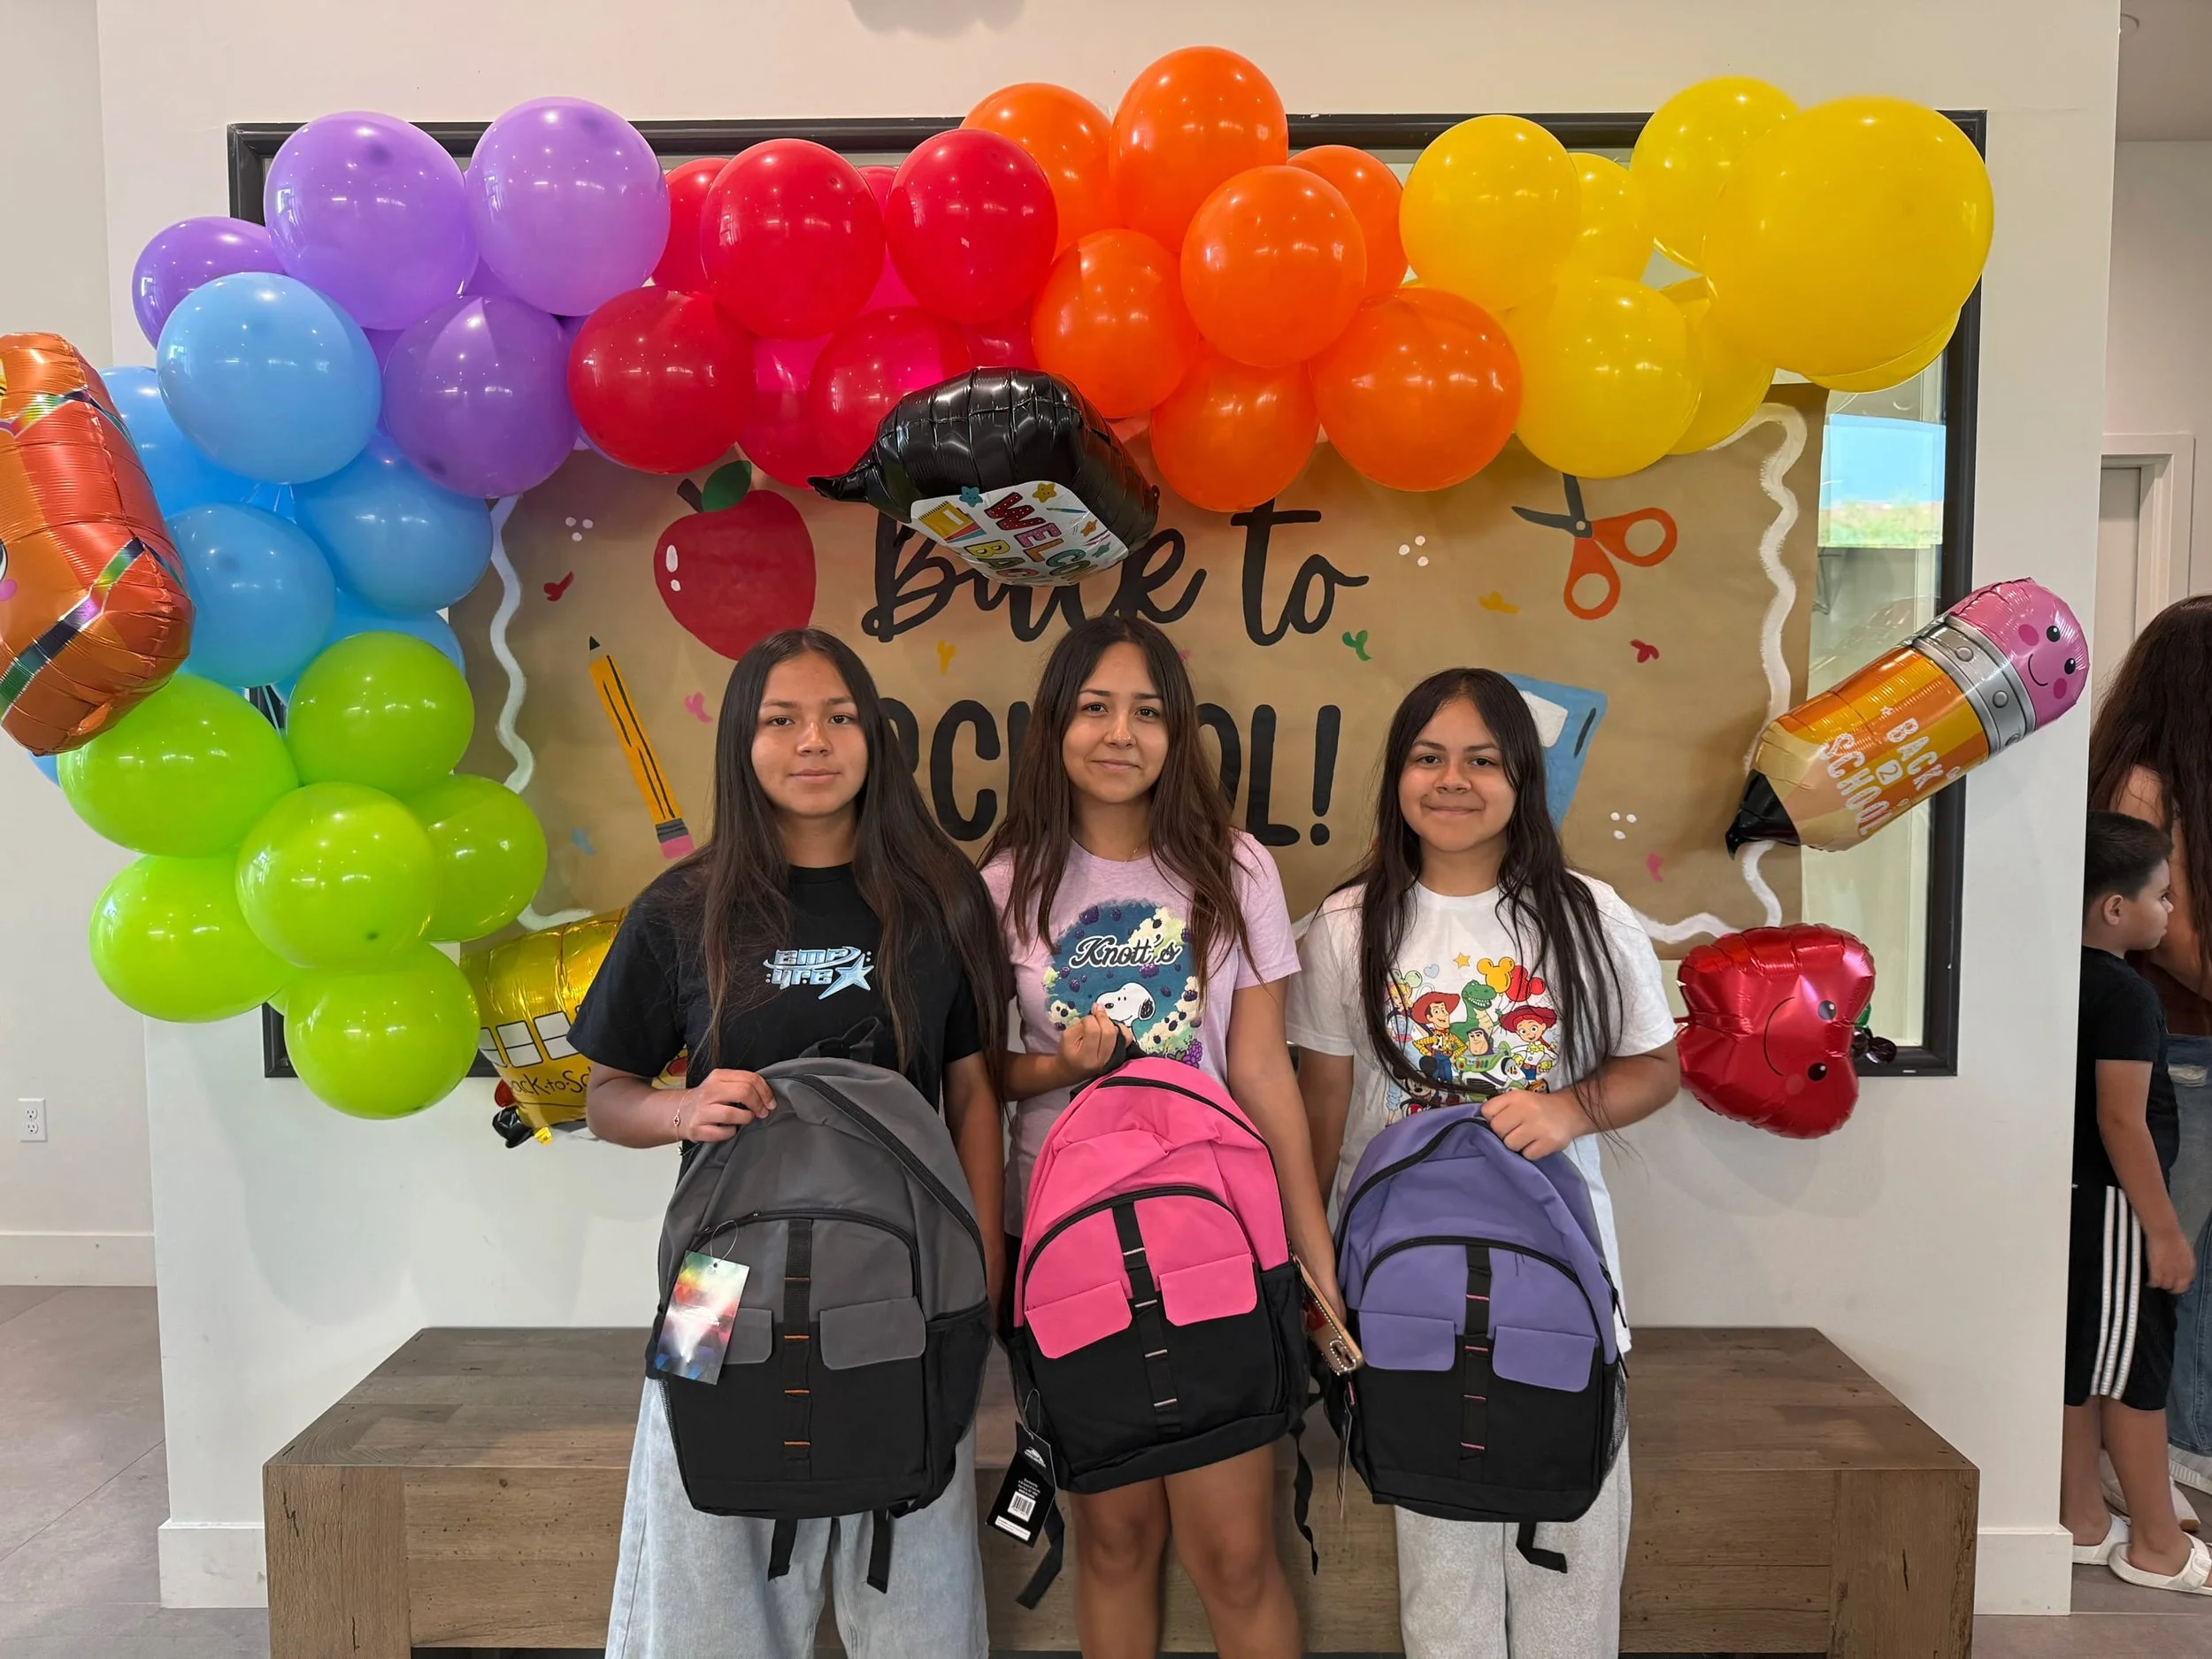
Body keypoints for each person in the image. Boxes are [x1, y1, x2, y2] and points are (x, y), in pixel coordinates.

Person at [571, 629, 1010, 1659]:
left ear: (874, 738)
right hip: (710, 1286)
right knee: (702, 1576)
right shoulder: (685, 905)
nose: (813, 742)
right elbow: (605, 1097)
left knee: (916, 1581)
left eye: (839, 717)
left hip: (903, 1270)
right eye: (781, 720)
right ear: (742, 742)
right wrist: (679, 1112)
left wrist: (979, 1275)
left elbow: (974, 1093)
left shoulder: (940, 898)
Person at [1287, 668, 1680, 1658]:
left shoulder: (1586, 913)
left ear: (1522, 780)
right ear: (1396, 776)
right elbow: (1322, 1108)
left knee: (1570, 1560)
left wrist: (1567, 1108)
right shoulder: (1342, 928)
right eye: (1428, 757)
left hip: (1561, 1286)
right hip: (1403, 1292)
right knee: (1443, 1573)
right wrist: (1317, 1270)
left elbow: (1657, 1068)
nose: (1451, 781)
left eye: (1480, 760)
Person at [981, 614, 1339, 1659]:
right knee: (1115, 1543)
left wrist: (1310, 1254)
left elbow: (1264, 1068)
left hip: (1219, 1248)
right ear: (1054, 726)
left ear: (1179, 735)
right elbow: (978, 1074)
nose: (1119, 733)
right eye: (1095, 706)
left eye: (1147, 712)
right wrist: (1062, 1067)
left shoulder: (1235, 869)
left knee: (1234, 1552)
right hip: (1069, 1257)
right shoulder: (1004, 886)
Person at [2061, 812, 2203, 1590]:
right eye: (2162, 896)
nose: (2170, 912)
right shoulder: (2124, 993)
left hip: (2082, 1202)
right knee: (2134, 1376)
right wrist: (2165, 1230)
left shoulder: (2062, 974)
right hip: (2117, 1210)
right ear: (2115, 908)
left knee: (2080, 1367)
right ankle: (2160, 1546)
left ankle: (2081, 1519)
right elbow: (2123, 1117)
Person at [2093, 596, 2212, 1511]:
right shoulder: (2145, 786)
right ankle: (2160, 1466)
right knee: (2167, 1263)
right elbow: (2175, 946)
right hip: (2174, 1056)